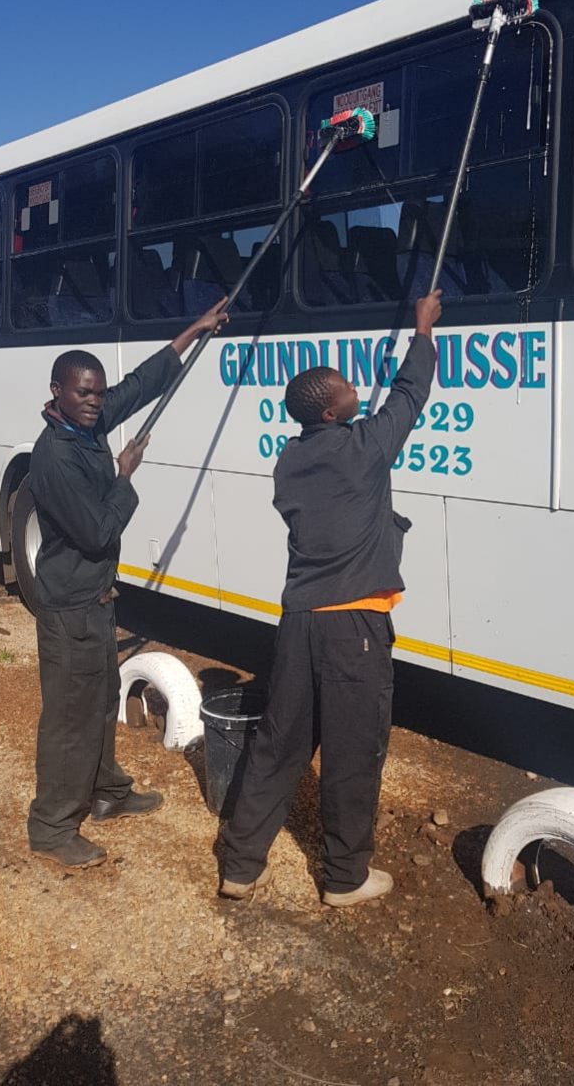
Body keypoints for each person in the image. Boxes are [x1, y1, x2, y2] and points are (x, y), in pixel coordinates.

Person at [220, 290, 442, 906]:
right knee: (352, 751)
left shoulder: (289, 461)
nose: (354, 389)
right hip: (354, 630)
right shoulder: (362, 449)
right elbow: (409, 395)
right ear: (329, 412)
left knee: (279, 743)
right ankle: (345, 877)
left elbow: (385, 410)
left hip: (299, 623)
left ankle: (240, 865)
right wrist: (423, 330)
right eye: (345, 389)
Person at [27, 300, 229, 871]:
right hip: (69, 609)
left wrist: (192, 331)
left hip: (95, 602)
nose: (95, 401)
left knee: (100, 701)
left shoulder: (86, 423)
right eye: (83, 392)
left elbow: (139, 387)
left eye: (97, 392)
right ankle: (51, 828)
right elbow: (96, 533)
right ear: (57, 392)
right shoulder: (55, 457)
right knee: (69, 718)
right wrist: (123, 476)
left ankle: (107, 792)